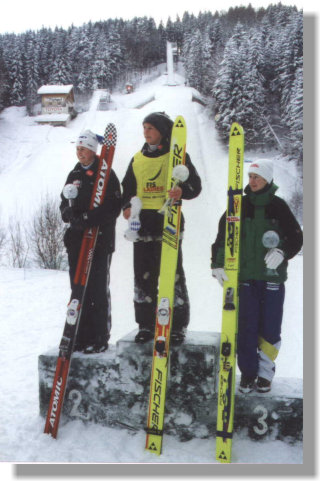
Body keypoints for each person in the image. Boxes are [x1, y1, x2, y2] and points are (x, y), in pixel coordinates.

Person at [211, 159, 303, 393]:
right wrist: (217, 263)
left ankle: (265, 375)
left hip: (272, 279)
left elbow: (296, 237)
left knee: (270, 328)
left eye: (257, 177)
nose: (252, 181)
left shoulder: (279, 206)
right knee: (246, 328)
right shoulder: (237, 206)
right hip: (245, 278)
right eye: (250, 177)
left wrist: (283, 251)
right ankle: (248, 374)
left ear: (267, 179)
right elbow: (222, 237)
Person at [121, 112, 202, 345]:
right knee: (143, 277)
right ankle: (146, 324)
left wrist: (182, 192)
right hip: (143, 226)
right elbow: (127, 189)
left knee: (172, 276)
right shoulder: (137, 159)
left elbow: (195, 186)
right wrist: (127, 207)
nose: (146, 132)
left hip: (169, 223)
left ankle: (177, 326)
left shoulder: (178, 156)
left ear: (163, 131)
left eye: (151, 128)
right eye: (144, 128)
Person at [60, 129, 121, 354]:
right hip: (76, 240)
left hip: (99, 240)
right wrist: (68, 214)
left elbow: (112, 206)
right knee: (78, 289)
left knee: (96, 287)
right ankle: (81, 335)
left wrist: (87, 219)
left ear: (93, 150)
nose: (80, 153)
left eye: (83, 149)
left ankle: (99, 336)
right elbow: (63, 201)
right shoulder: (74, 174)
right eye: (77, 149)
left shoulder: (105, 174)